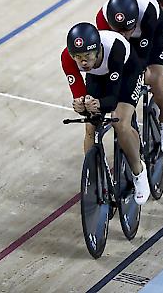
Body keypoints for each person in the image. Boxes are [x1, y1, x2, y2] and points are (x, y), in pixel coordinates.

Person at [61, 22, 150, 205]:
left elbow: (113, 98)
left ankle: (139, 171)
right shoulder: (67, 58)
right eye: (78, 57)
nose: (83, 62)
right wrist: (80, 104)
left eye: (87, 56)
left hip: (126, 73)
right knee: (90, 127)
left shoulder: (114, 49)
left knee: (121, 123)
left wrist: (99, 103)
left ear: (99, 49)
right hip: (98, 75)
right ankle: (94, 178)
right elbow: (79, 94)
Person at [95, 0, 163, 153]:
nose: (123, 35)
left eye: (127, 30)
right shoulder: (102, 19)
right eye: (119, 31)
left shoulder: (148, 11)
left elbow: (142, 57)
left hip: (153, 36)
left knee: (155, 78)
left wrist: (136, 73)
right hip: (126, 41)